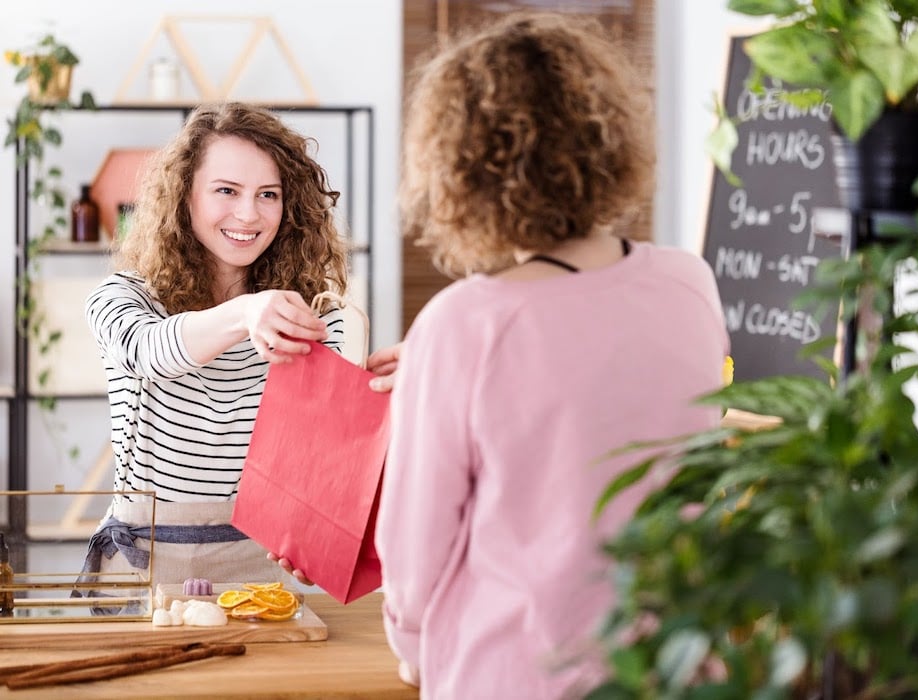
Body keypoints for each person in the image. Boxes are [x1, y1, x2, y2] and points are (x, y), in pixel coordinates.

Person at [372, 12, 730, 699]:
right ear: (609, 139)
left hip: (517, 673)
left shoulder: (462, 323)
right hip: (678, 661)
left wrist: (412, 643)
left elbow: (415, 549)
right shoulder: (690, 283)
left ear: (460, 169)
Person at [79, 101, 357, 593]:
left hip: (258, 572)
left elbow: (315, 451)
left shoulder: (313, 317)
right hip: (142, 570)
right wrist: (245, 313)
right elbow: (150, 353)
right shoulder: (123, 297)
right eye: (226, 190)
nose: (248, 214)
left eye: (267, 194)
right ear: (184, 197)